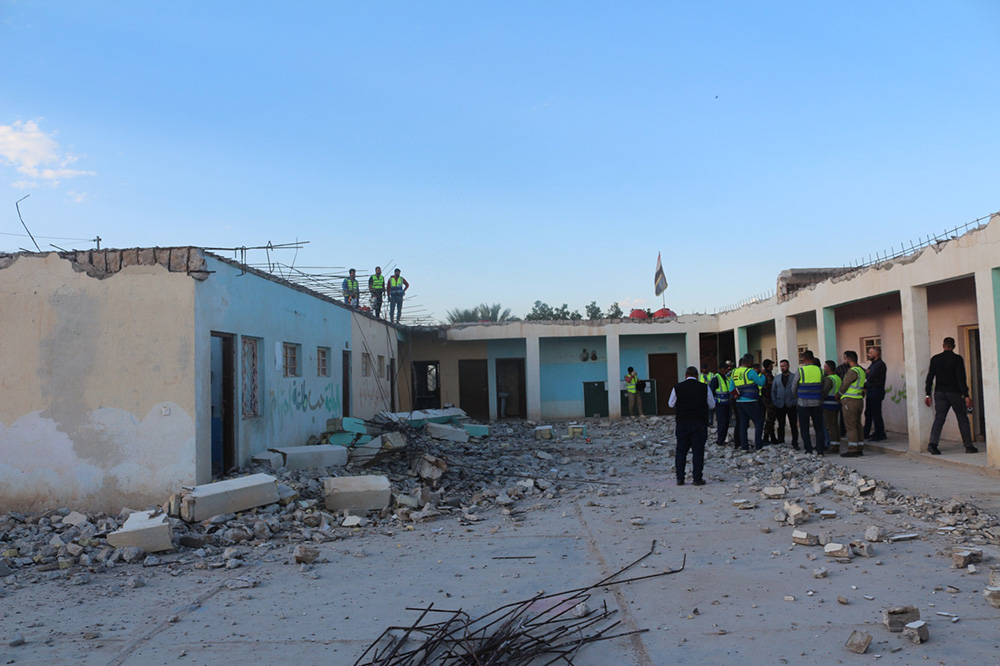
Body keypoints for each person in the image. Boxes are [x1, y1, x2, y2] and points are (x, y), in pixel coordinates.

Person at [924, 337, 977, 454]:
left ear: (943, 346)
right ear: (954, 346)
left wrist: (928, 394)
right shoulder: (957, 359)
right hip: (955, 393)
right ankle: (968, 446)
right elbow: (961, 379)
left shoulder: (935, 359)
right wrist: (966, 395)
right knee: (962, 418)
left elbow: (930, 378)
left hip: (940, 392)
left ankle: (932, 444)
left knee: (939, 418)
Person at [669, 366, 715, 486]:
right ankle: (697, 478)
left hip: (682, 423)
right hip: (699, 423)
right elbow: (712, 405)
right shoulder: (704, 387)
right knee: (698, 451)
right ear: (697, 376)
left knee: (681, 451)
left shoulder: (677, 387)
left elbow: (671, 403)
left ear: (685, 376)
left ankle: (680, 478)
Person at [793, 350, 826, 455]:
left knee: (804, 427)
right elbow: (824, 386)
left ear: (804, 359)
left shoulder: (801, 371)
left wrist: (797, 397)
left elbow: (794, 387)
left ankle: (809, 450)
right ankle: (820, 451)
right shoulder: (820, 371)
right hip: (817, 402)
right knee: (819, 427)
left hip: (803, 403)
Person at [732, 353, 766, 451]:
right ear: (750, 362)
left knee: (743, 424)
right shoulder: (750, 372)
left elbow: (731, 387)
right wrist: (762, 375)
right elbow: (760, 382)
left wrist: (736, 395)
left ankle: (744, 446)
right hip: (751, 401)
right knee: (759, 422)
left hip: (739, 402)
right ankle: (758, 445)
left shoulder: (734, 372)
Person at [839, 350, 866, 457]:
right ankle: (859, 447)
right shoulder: (861, 370)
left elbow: (845, 385)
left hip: (850, 401)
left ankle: (853, 449)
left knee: (850, 426)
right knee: (858, 425)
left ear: (849, 359)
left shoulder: (852, 371)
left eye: (844, 358)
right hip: (859, 400)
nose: (844, 361)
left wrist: (839, 394)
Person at [771, 359, 799, 449]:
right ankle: (781, 442)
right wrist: (775, 401)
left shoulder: (794, 377)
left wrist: (795, 401)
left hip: (791, 404)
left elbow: (797, 389)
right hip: (780, 404)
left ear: (788, 366)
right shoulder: (777, 378)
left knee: (793, 425)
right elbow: (773, 390)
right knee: (781, 425)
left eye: (784, 366)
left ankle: (795, 443)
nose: (782, 368)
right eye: (781, 366)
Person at [864, 346, 887, 441]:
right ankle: (866, 432)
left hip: (876, 391)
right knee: (868, 413)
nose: (869, 355)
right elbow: (867, 374)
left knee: (876, 413)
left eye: (870, 352)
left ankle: (880, 433)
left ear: (876, 353)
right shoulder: (873, 364)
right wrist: (868, 373)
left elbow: (870, 377)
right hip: (871, 391)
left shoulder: (879, 364)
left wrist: (869, 374)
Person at [822, 360, 842, 454]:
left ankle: (833, 446)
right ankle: (836, 444)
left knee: (830, 426)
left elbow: (825, 392)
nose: (824, 369)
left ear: (829, 368)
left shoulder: (829, 379)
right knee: (835, 425)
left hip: (828, 404)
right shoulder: (837, 378)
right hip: (836, 404)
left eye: (825, 367)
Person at [709, 364, 732, 446]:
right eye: (725, 369)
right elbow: (711, 392)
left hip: (726, 403)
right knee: (722, 422)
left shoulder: (725, 378)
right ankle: (720, 440)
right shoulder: (716, 378)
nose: (726, 370)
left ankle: (723, 439)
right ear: (720, 369)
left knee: (726, 422)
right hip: (720, 404)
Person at [761, 359, 777, 444]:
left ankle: (771, 436)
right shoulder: (767, 375)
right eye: (771, 365)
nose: (772, 366)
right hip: (768, 399)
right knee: (770, 419)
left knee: (771, 419)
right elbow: (771, 385)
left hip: (768, 398)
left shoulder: (766, 374)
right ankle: (767, 437)